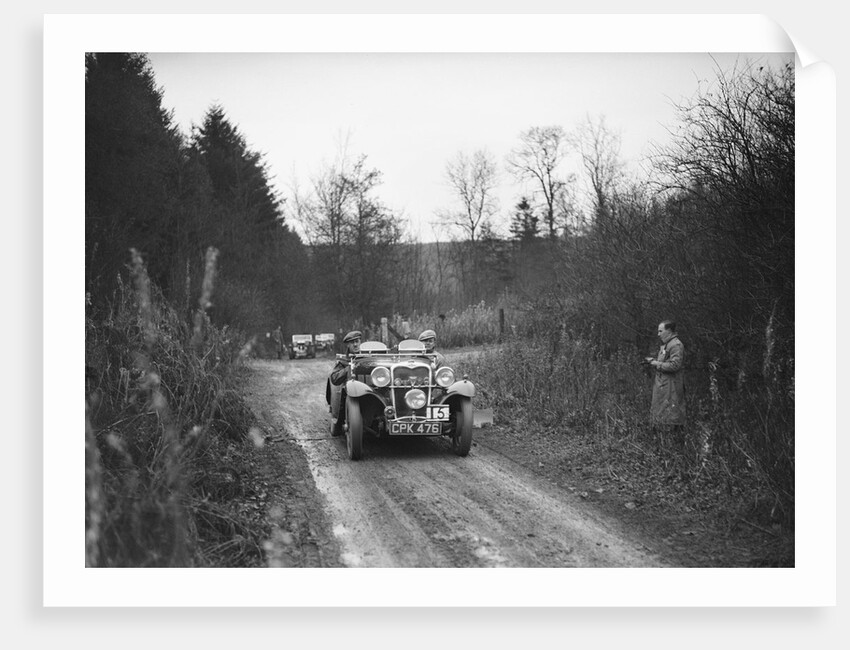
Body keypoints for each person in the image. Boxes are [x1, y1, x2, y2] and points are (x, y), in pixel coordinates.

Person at [646, 320, 686, 430]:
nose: (658, 334)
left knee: (672, 420)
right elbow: (667, 362)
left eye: (660, 331)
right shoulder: (667, 345)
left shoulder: (676, 345)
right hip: (663, 389)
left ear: (668, 331)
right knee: (661, 418)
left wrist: (656, 363)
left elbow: (674, 365)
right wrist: (653, 361)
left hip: (671, 389)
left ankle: (671, 444)